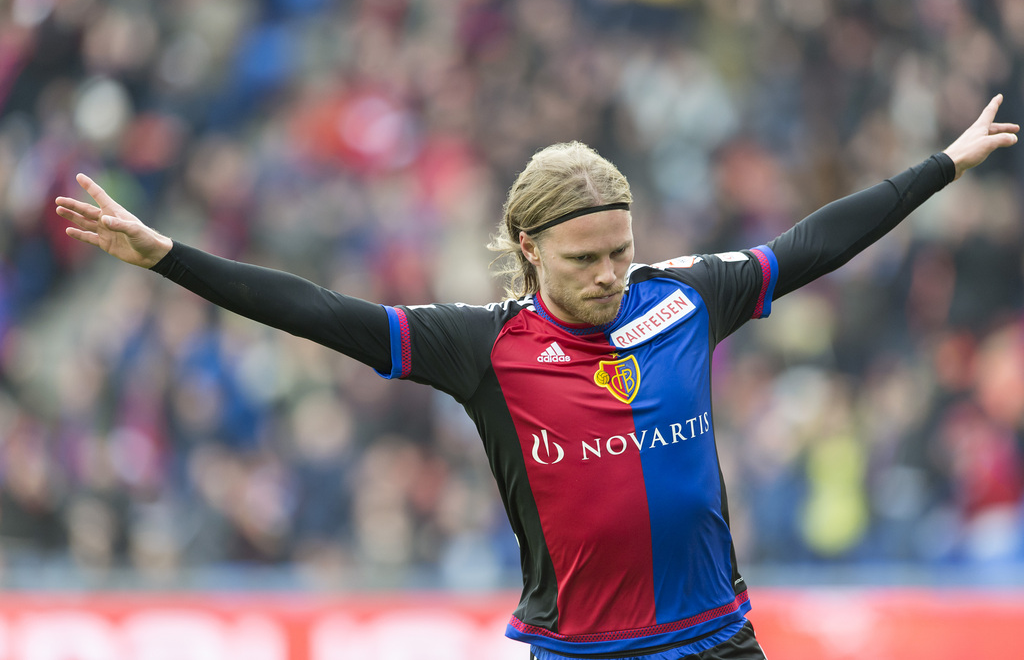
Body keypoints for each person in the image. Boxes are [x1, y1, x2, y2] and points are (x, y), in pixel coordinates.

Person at [56, 95, 1018, 659]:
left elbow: (815, 243)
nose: (609, 274)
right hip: (582, 653)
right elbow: (318, 310)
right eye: (585, 258)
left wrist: (943, 163)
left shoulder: (686, 298)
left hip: (718, 638)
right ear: (528, 249)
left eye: (621, 249)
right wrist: (169, 255)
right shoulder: (482, 345)